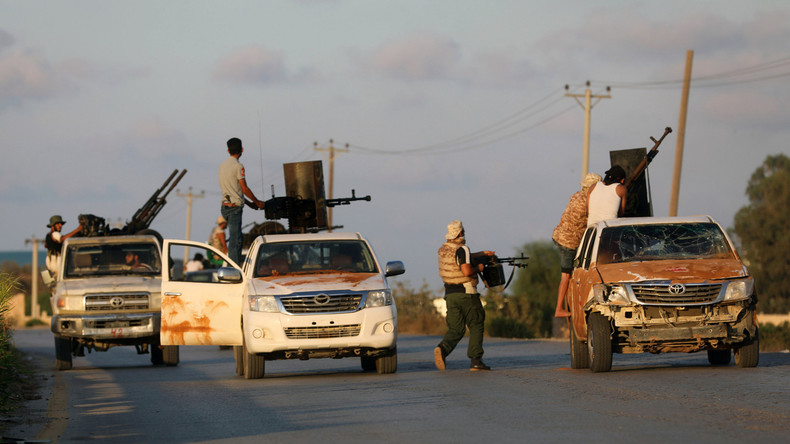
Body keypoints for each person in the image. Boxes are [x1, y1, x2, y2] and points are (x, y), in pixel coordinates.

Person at [434, 220, 495, 372]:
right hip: (466, 293)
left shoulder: (443, 250)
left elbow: (461, 258)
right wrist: (479, 267)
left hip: (450, 295)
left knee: (456, 328)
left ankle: (442, 349)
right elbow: (466, 270)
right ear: (460, 233)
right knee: (476, 323)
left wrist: (482, 254)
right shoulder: (463, 249)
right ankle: (476, 361)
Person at [552, 173, 602, 317]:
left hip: (559, 235)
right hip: (569, 242)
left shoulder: (577, 195)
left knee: (570, 275)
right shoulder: (588, 202)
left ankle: (567, 305)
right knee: (566, 276)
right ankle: (559, 309)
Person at [218, 137, 265, 266]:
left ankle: (233, 265)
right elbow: (244, 189)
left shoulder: (222, 166)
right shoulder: (238, 166)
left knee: (236, 237)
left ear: (228, 151)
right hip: (234, 208)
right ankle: (234, 268)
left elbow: (235, 191)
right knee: (236, 240)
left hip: (225, 207)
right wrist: (257, 202)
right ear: (242, 150)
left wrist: (250, 204)